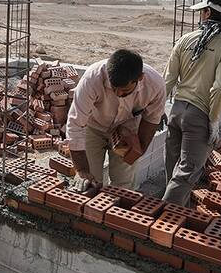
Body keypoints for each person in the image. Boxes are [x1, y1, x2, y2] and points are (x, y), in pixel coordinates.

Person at [162, 0, 221, 206]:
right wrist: (214, 122)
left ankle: (176, 210)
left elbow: (167, 80)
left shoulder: (185, 40)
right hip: (199, 116)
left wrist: (160, 109)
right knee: (187, 172)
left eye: (202, 11)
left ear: (207, 12)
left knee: (173, 166)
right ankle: (164, 219)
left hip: (176, 111)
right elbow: (220, 88)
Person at [67, 49, 165, 192]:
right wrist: (81, 170)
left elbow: (151, 120)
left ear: (140, 78)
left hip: (128, 132)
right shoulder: (91, 79)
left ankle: (118, 211)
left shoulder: (155, 85)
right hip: (94, 128)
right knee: (90, 182)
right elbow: (75, 124)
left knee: (124, 185)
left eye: (125, 90)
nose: (119, 94)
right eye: (114, 88)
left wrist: (137, 150)